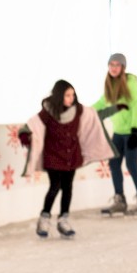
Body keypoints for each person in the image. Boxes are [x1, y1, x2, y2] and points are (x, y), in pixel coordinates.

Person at [20, 80, 118, 238]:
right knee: (55, 186)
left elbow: (94, 115)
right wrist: (25, 134)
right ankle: (44, 218)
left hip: (71, 155)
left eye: (73, 94)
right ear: (59, 96)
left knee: (67, 187)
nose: (71, 98)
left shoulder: (78, 110)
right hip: (53, 155)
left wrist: (114, 109)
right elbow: (33, 124)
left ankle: (63, 220)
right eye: (67, 95)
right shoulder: (48, 111)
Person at [93, 52, 137, 216]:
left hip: (134, 131)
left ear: (123, 67)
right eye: (111, 65)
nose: (113, 68)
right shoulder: (110, 85)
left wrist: (134, 130)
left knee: (131, 164)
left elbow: (136, 106)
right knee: (114, 164)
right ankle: (120, 200)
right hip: (119, 132)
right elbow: (102, 102)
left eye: (117, 65)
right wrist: (86, 112)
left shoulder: (131, 83)